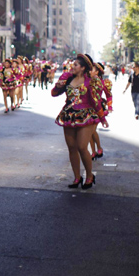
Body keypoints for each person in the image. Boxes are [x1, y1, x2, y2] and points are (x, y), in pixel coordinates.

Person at [52, 54, 108, 190]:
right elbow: (54, 93)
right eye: (73, 64)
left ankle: (89, 176)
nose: (73, 66)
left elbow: (96, 101)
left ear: (83, 68)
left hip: (86, 115)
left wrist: (102, 118)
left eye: (76, 64)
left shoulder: (91, 81)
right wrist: (58, 86)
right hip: (69, 115)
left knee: (82, 147)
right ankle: (77, 177)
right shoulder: (67, 78)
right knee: (72, 147)